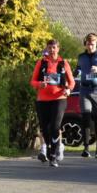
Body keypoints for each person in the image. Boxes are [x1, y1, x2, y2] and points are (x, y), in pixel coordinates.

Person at [30, 39, 75, 167]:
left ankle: (54, 155)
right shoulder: (41, 63)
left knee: (55, 127)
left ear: (58, 49)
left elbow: (72, 82)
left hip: (59, 99)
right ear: (47, 49)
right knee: (45, 128)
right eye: (49, 47)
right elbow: (32, 81)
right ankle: (50, 151)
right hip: (43, 100)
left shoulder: (63, 63)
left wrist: (68, 89)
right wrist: (40, 84)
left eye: (54, 47)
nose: (51, 50)